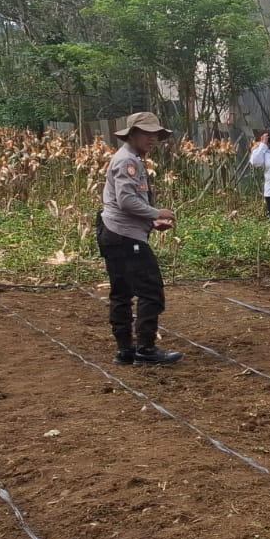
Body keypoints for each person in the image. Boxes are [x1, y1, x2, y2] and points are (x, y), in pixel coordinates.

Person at [98, 111, 181, 366]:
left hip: (115, 232)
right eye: (146, 133)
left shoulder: (130, 158)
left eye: (155, 134)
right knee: (151, 290)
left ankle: (125, 350)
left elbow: (125, 202)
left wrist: (151, 221)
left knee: (121, 292)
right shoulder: (127, 161)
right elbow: (126, 201)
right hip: (125, 236)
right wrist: (157, 212)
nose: (152, 139)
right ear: (132, 134)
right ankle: (145, 348)